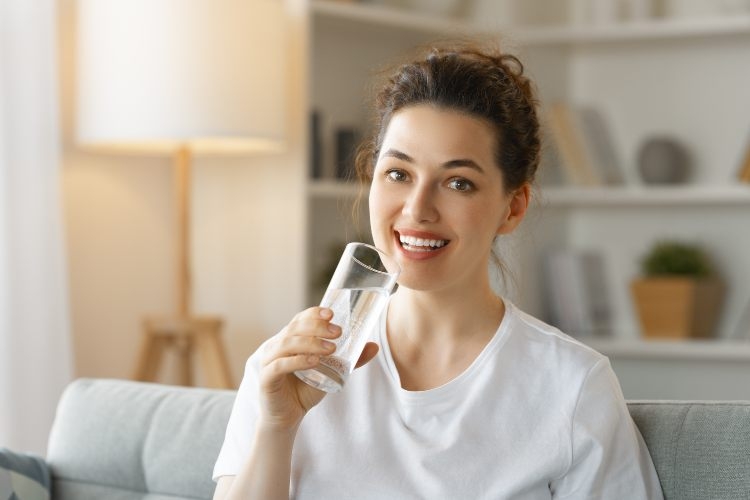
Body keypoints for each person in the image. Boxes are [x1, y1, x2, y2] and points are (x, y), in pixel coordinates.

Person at [212, 42, 664, 499]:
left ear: (513, 207)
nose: (417, 209)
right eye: (398, 174)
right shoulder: (286, 369)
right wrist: (277, 426)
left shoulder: (571, 386)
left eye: (458, 183)